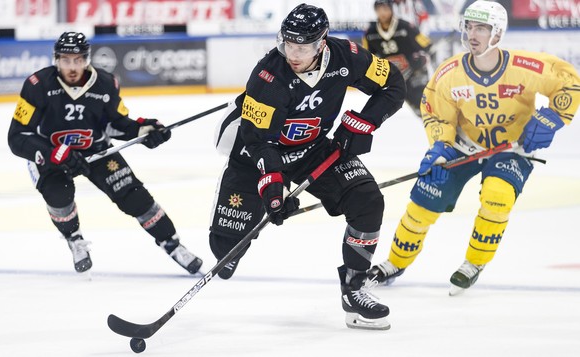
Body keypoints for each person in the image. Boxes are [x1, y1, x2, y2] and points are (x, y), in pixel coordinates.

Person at [210, 3, 405, 329]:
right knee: (225, 252)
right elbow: (258, 142)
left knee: (367, 200)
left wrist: (362, 124)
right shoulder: (267, 76)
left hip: (313, 148)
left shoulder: (347, 56)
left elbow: (394, 84)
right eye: (288, 44)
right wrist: (273, 188)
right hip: (256, 154)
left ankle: (354, 290)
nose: (294, 53)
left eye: (303, 46)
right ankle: (243, 201)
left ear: (322, 42)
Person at [367, 0, 580, 295]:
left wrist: (552, 117)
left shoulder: (525, 67)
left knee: (497, 196)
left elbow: (569, 82)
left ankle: (474, 263)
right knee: (422, 203)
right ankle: (395, 262)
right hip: (463, 146)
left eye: (482, 27)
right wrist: (439, 148)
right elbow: (436, 111)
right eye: (469, 27)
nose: (473, 35)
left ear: (498, 32)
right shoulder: (450, 73)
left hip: (512, 148)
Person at [8, 32, 203, 275]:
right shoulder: (38, 85)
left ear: (87, 59)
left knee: (135, 197)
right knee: (59, 197)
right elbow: (16, 137)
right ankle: (74, 238)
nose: (72, 67)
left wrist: (145, 130)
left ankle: (173, 245)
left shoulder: (106, 84)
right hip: (53, 155)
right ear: (56, 59)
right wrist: (52, 153)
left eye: (78, 60)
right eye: (66, 60)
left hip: (96, 151)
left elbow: (117, 124)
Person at [362, 0, 432, 117]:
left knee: (427, 105)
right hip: (395, 77)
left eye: (385, 9)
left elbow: (426, 46)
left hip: (415, 74)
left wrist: (420, 59)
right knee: (417, 110)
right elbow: (368, 57)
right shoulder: (370, 32)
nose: (382, 13)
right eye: (379, 9)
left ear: (391, 9)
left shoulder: (405, 26)